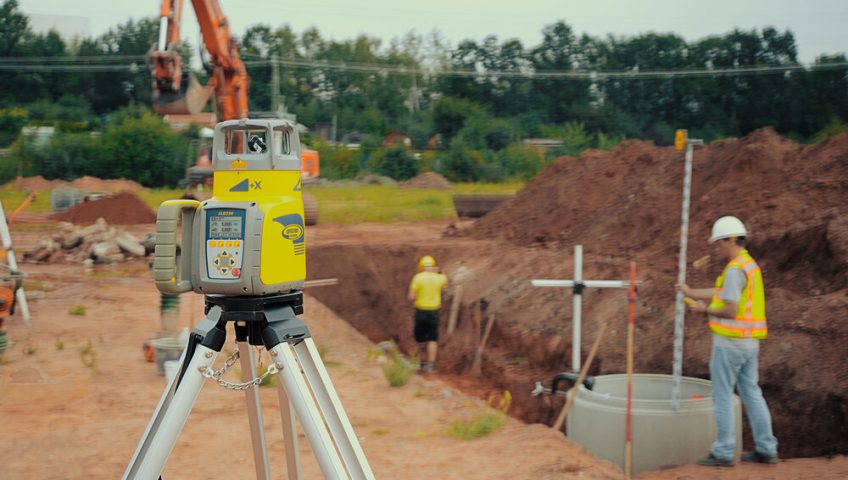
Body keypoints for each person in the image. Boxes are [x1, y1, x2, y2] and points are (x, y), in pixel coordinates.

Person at [679, 216, 778, 467]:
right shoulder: (747, 265)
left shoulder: (734, 270)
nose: (717, 248)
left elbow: (731, 309)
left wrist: (703, 310)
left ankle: (723, 452)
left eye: (719, 243)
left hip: (730, 343)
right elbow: (720, 293)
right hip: (749, 343)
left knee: (722, 396)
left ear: (731, 240)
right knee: (753, 394)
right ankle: (767, 448)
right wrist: (691, 293)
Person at [408, 255, 448, 374]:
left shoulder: (417, 277)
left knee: (420, 338)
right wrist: (439, 272)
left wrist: (416, 297)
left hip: (421, 311)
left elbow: (411, 297)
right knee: (432, 338)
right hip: (434, 312)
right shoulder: (440, 278)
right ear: (433, 266)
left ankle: (422, 363)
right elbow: (445, 286)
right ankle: (431, 366)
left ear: (421, 267)